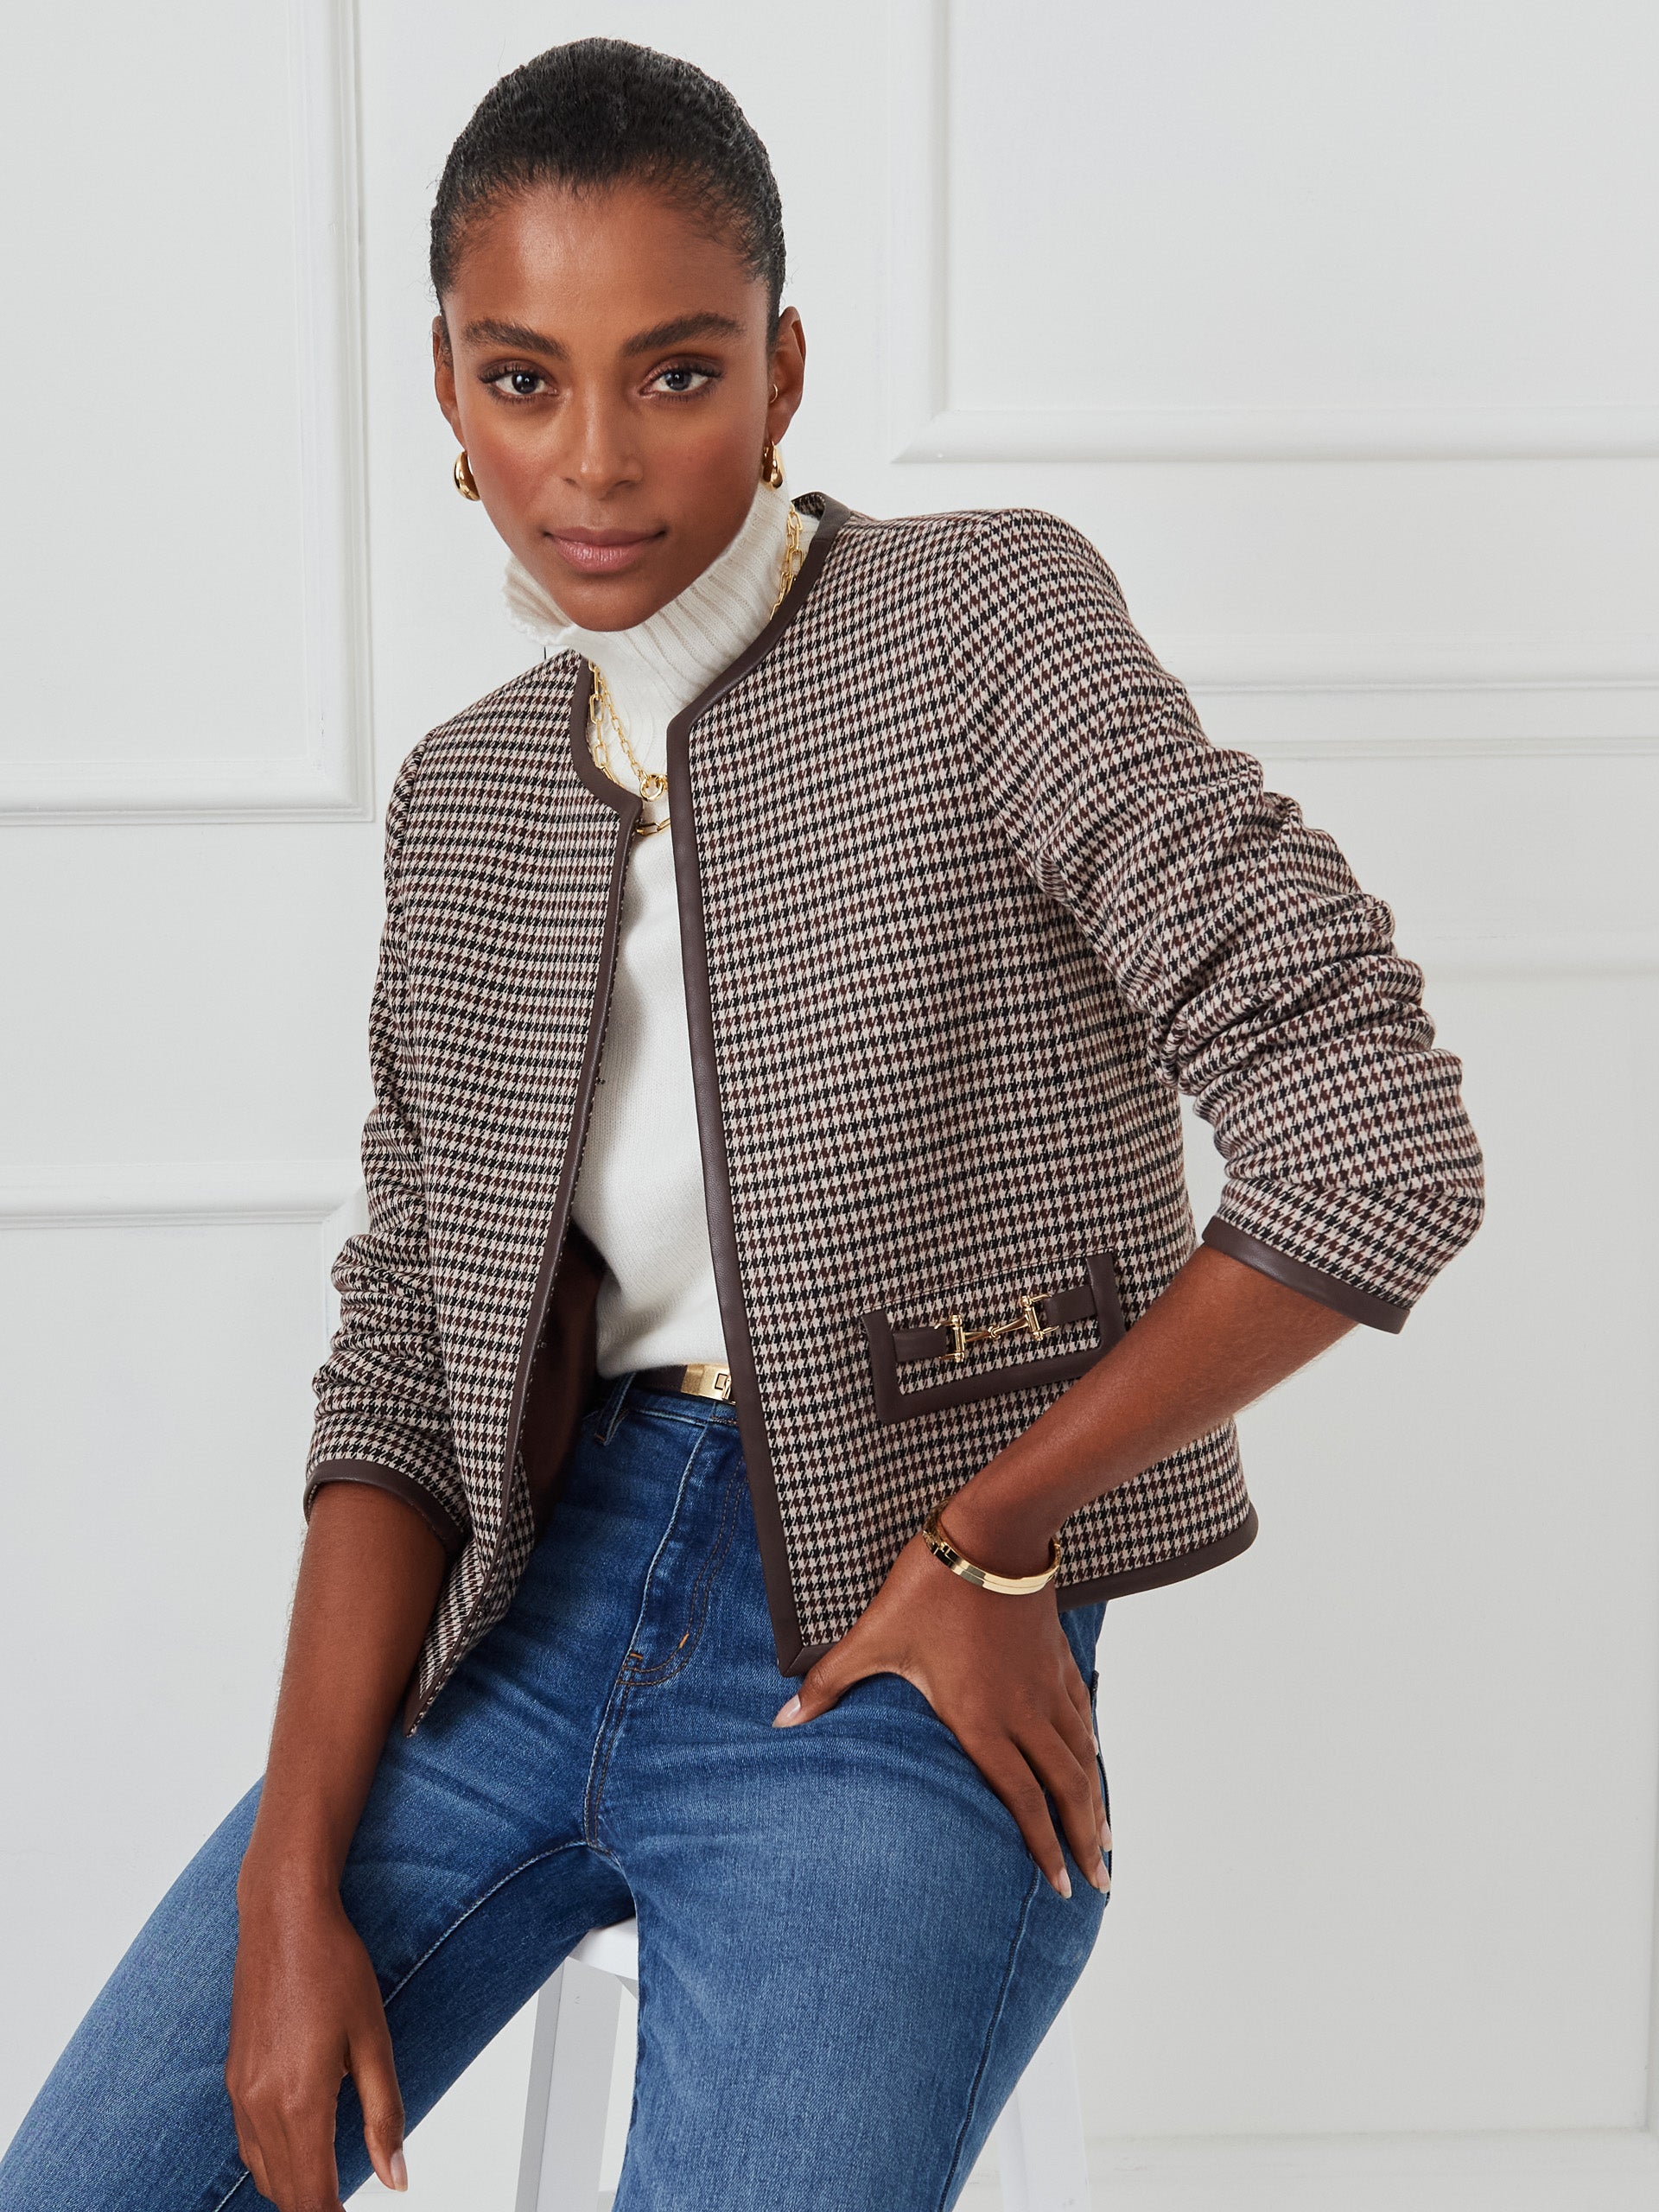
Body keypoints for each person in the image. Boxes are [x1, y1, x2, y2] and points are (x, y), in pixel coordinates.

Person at [0, 36, 1484, 2212]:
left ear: (785, 372)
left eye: (677, 372)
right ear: (447, 395)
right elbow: (406, 1355)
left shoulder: (982, 631)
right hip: (523, 1603)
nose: (594, 460)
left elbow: (1377, 1126)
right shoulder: (470, 801)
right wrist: (285, 1871)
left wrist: (995, 1538)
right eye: (524, 379)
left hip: (894, 1633)